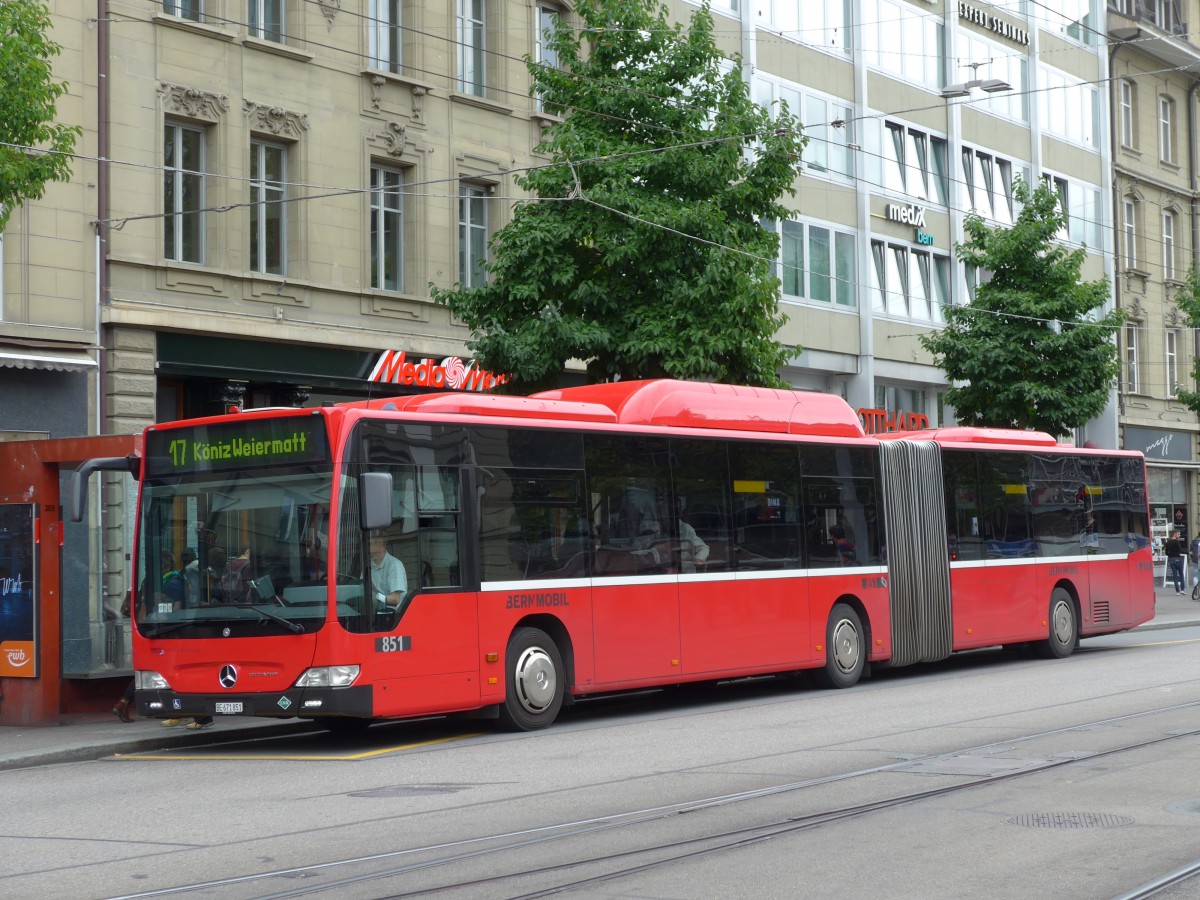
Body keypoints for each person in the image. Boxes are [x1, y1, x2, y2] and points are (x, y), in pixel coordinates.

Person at [369, 532, 408, 607]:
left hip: (393, 613)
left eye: (369, 543)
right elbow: (361, 586)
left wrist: (375, 597)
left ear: (379, 543)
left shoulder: (394, 565)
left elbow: (395, 599)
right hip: (374, 610)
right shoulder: (369, 565)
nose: (366, 546)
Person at [1165, 529, 1185, 595]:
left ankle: (1177, 592)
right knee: (1181, 575)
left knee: (1175, 576)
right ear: (1175, 534)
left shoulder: (1168, 542)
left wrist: (1170, 555)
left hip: (1171, 559)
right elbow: (1180, 550)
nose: (1179, 535)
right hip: (1178, 559)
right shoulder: (1176, 542)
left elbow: (1166, 552)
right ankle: (1182, 590)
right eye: (1178, 534)